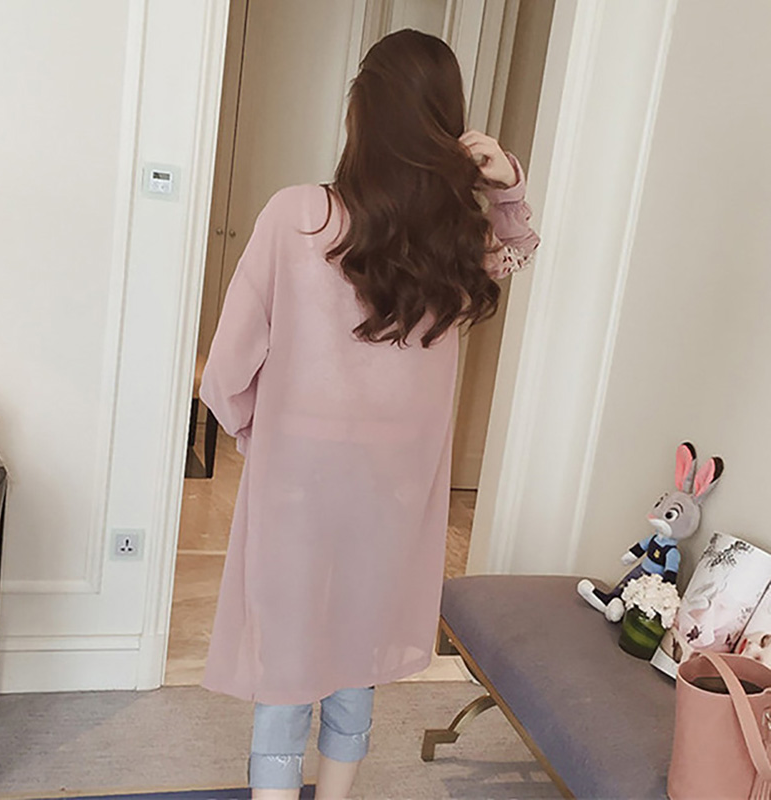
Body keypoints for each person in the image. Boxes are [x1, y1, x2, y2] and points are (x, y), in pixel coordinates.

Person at [199, 28, 540, 800]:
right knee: (357, 646)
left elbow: (226, 371)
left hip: (298, 475)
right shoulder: (457, 241)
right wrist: (507, 185)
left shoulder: (297, 215)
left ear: (362, 114)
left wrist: (257, 434)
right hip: (396, 484)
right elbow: (519, 250)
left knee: (289, 653)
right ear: (448, 125)